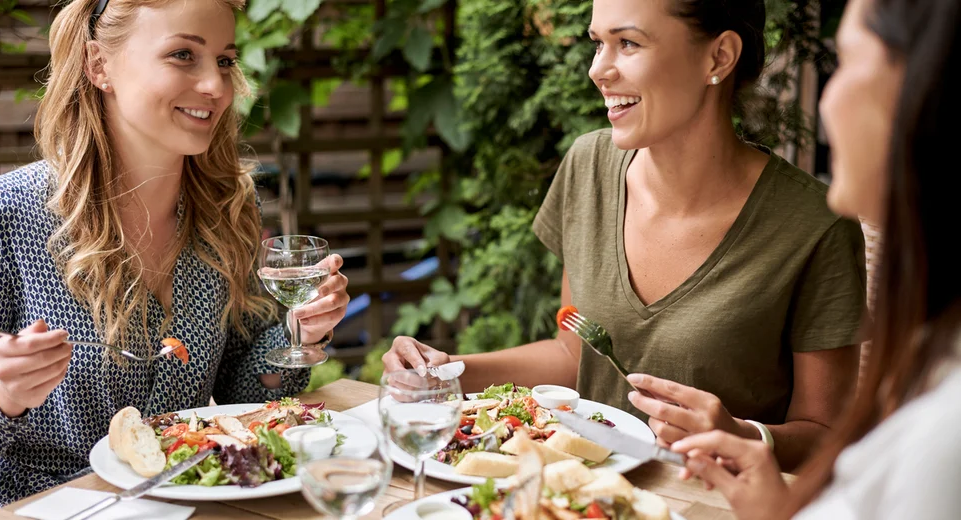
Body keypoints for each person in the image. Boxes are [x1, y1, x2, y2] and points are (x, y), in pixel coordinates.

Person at [382, 0, 868, 472]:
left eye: (628, 43)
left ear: (718, 56)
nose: (598, 70)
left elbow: (826, 435)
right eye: (598, 44)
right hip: (582, 500)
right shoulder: (588, 166)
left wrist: (741, 434)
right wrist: (444, 372)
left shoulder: (815, 226)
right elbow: (574, 354)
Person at [0, 0, 349, 510]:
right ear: (98, 65)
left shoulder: (229, 208)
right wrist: (2, 396)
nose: (216, 87)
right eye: (181, 55)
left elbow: (246, 391)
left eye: (224, 60)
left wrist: (299, 332)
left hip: (185, 505)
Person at [671, 0, 961, 517]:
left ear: (924, 91)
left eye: (845, 61)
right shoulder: (931, 356)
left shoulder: (944, 438)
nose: (826, 102)